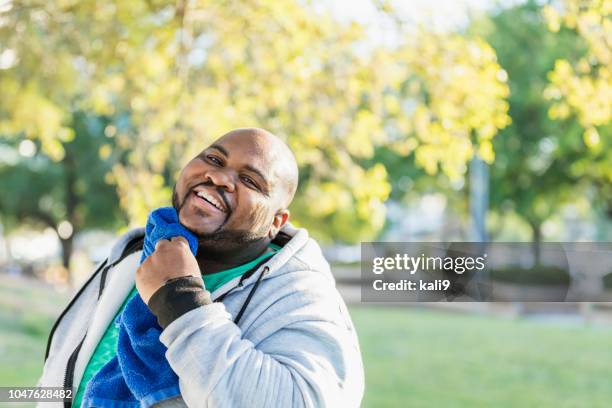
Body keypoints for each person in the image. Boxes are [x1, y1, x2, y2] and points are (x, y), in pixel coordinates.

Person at [38, 128, 365, 407]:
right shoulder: (135, 252)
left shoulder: (301, 293)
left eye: (250, 180)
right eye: (213, 159)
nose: (219, 176)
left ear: (275, 223)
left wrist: (180, 299)